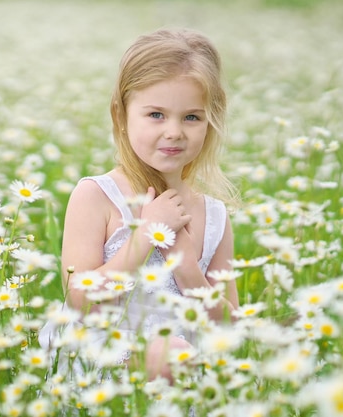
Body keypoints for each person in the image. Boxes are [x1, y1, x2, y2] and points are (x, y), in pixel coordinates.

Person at [40, 28, 240, 384]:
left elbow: (229, 325)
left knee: (185, 357)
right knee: (174, 355)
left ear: (211, 121)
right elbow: (80, 299)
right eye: (156, 115)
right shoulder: (96, 196)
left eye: (191, 117)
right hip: (105, 362)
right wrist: (146, 236)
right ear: (121, 115)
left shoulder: (214, 216)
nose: (174, 131)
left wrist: (186, 265)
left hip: (183, 368)